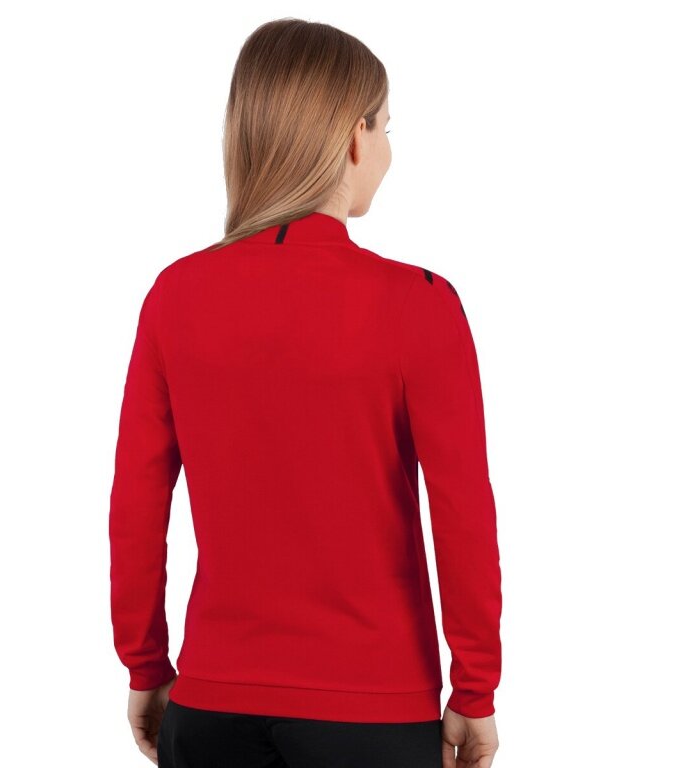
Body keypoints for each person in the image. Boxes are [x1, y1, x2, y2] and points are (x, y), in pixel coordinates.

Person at [109, 17, 502, 768]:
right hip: (373, 714)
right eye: (387, 127)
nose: (388, 150)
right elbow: (462, 515)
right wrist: (475, 688)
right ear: (354, 137)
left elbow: (135, 506)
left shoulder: (174, 296)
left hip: (212, 706)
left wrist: (146, 665)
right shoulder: (420, 305)